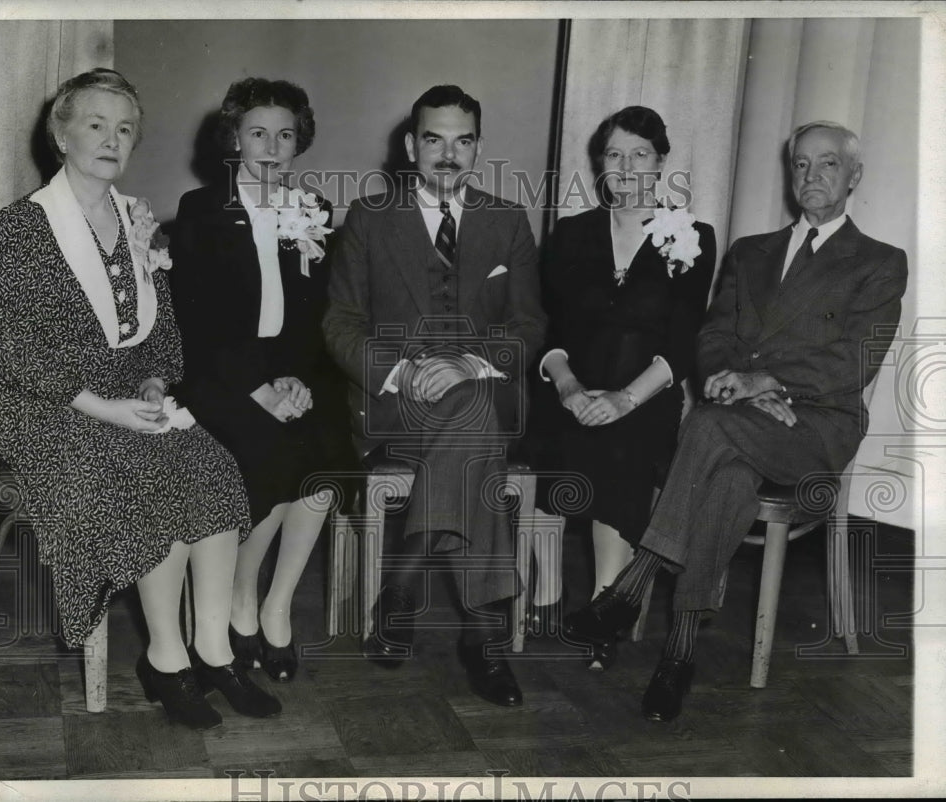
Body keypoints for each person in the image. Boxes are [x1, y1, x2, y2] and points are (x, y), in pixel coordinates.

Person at [563, 120, 908, 721]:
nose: (812, 176)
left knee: (709, 429)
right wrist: (732, 380)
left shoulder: (879, 262)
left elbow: (855, 358)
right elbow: (715, 331)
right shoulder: (752, 251)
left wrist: (766, 382)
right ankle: (679, 653)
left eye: (828, 164)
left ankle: (632, 585)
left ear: (854, 176)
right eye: (801, 163)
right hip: (739, 416)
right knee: (725, 473)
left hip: (817, 425)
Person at [0, 68, 280, 730]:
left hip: (125, 399)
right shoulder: (20, 229)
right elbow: (14, 349)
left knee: (211, 464)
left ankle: (214, 649)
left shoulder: (135, 219)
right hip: (49, 411)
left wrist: (151, 383)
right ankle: (165, 661)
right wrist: (105, 407)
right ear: (61, 134)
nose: (111, 139)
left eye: (124, 128)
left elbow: (159, 332)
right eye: (94, 124)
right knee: (149, 471)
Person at [323, 85, 547, 707]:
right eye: (433, 138)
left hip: (480, 390)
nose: (448, 154)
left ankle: (401, 585)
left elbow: (530, 326)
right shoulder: (369, 218)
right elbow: (340, 323)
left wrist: (471, 363)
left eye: (463, 140)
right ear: (409, 144)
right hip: (394, 398)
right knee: (472, 436)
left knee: (470, 410)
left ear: (479, 146)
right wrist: (403, 370)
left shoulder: (507, 220)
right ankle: (484, 637)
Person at [171, 78, 355, 683]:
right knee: (274, 451)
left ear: (299, 141)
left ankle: (278, 604)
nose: (272, 146)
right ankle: (241, 598)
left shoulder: (315, 212)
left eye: (285, 134)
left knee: (328, 452)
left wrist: (298, 383)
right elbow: (198, 328)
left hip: (292, 371)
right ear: (234, 140)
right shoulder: (201, 211)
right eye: (258, 133)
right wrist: (259, 389)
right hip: (220, 374)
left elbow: (314, 319)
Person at [527, 107, 715, 669]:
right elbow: (548, 330)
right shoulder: (573, 234)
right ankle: (545, 591)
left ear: (661, 163)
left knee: (622, 443)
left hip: (645, 397)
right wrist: (566, 387)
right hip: (570, 388)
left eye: (640, 154)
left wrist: (625, 398)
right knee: (552, 433)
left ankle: (606, 605)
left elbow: (684, 345)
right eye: (614, 155)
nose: (627, 167)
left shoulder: (692, 237)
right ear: (600, 165)